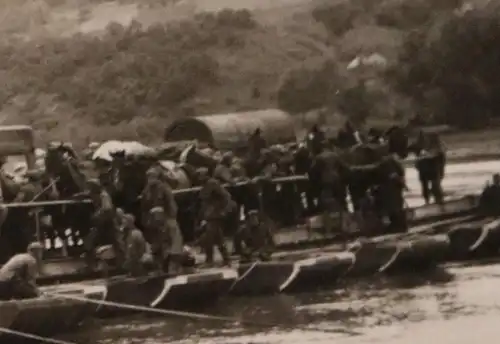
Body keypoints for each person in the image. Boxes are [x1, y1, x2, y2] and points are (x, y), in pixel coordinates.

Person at [195, 168, 234, 266]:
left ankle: (210, 260)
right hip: (210, 214)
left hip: (215, 214)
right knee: (218, 238)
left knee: (210, 238)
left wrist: (222, 210)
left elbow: (226, 196)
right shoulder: (206, 185)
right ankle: (227, 259)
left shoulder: (212, 184)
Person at [83, 179, 121, 269]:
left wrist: (97, 215)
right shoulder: (95, 194)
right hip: (101, 224)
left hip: (107, 223)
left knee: (113, 243)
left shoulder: (104, 195)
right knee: (92, 242)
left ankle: (116, 264)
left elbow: (107, 210)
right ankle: (94, 264)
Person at [148, 207, 184, 273]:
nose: (152, 219)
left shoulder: (171, 224)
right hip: (164, 255)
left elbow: (176, 241)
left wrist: (172, 254)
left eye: (154, 216)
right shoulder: (159, 227)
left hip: (173, 255)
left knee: (173, 272)